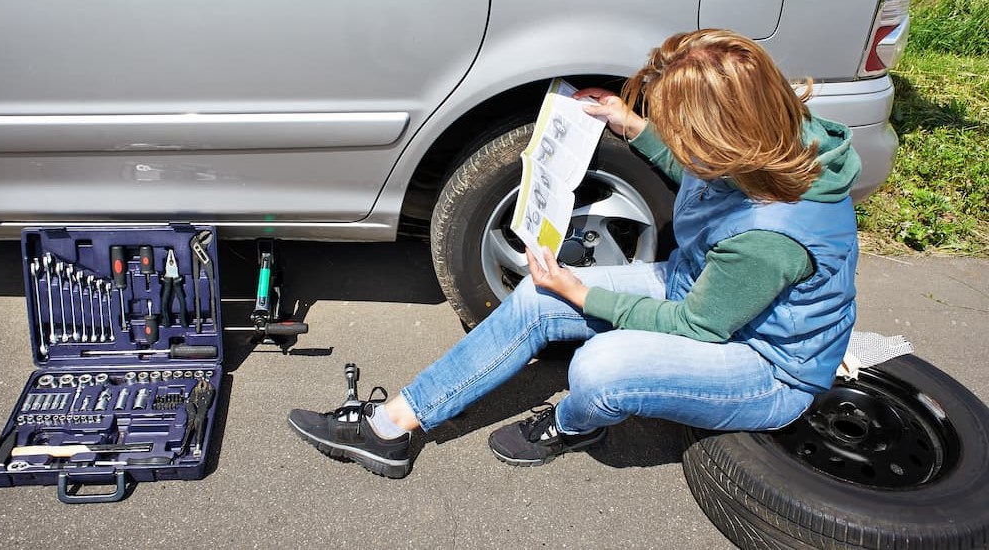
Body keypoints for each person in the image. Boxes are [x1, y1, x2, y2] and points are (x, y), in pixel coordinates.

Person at [288, 28, 861, 479]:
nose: (678, 141)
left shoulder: (770, 238)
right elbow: (701, 181)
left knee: (598, 369)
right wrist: (632, 125)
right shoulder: (773, 136)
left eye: (685, 133)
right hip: (702, 286)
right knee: (538, 296)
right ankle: (392, 428)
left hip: (765, 366)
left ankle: (571, 424)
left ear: (724, 136)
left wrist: (583, 293)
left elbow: (698, 326)